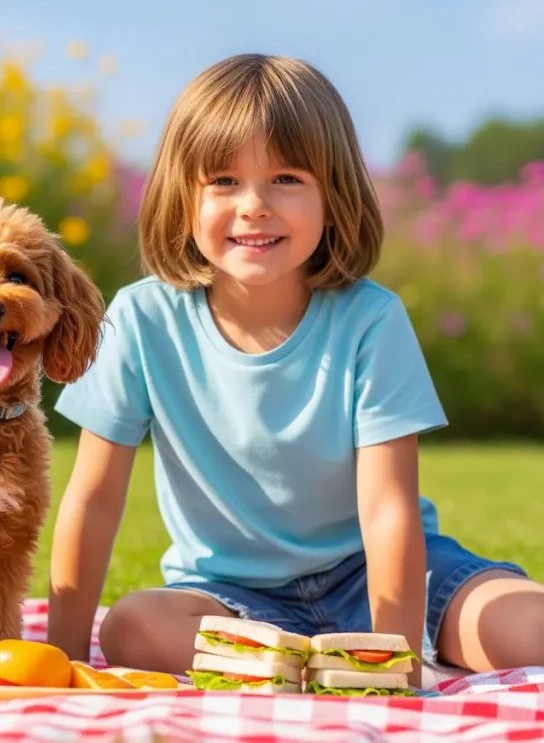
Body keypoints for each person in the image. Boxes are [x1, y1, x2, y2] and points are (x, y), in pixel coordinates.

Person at [46, 53, 544, 687]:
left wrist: (394, 657)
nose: (254, 206)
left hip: (383, 576)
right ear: (183, 198)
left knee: (530, 626)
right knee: (132, 629)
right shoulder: (142, 318)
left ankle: (325, 663)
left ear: (332, 196)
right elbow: (92, 501)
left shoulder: (370, 320)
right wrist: (59, 659)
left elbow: (388, 509)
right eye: (223, 181)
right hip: (230, 595)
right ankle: (298, 660)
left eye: (285, 178)